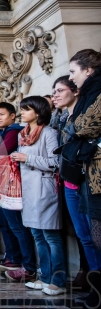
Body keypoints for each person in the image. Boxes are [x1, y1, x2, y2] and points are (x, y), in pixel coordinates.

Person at [10, 96, 65, 295]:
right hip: (29, 190)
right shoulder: (23, 134)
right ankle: (44, 277)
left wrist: (26, 158)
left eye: (26, 109)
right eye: (22, 109)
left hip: (45, 189)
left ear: (39, 111)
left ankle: (57, 281)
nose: (22, 112)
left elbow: (55, 162)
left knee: (51, 236)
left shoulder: (49, 133)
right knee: (37, 236)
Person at [54, 76, 101, 291]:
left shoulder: (84, 118)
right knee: (83, 235)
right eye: (54, 91)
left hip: (88, 180)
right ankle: (93, 281)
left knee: (94, 236)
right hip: (69, 181)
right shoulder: (61, 119)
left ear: (75, 92)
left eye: (60, 90)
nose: (55, 95)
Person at [65, 49, 101, 308]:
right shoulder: (89, 93)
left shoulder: (97, 92)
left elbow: (84, 124)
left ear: (88, 70)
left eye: (73, 71)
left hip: (98, 174)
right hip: (90, 173)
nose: (71, 77)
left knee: (98, 234)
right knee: (94, 234)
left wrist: (75, 126)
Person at [0, 102, 27, 276]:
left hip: (8, 182)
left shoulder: (13, 131)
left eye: (0, 114)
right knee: (3, 223)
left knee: (14, 224)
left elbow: (0, 153)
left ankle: (20, 260)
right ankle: (11, 255)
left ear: (12, 115)